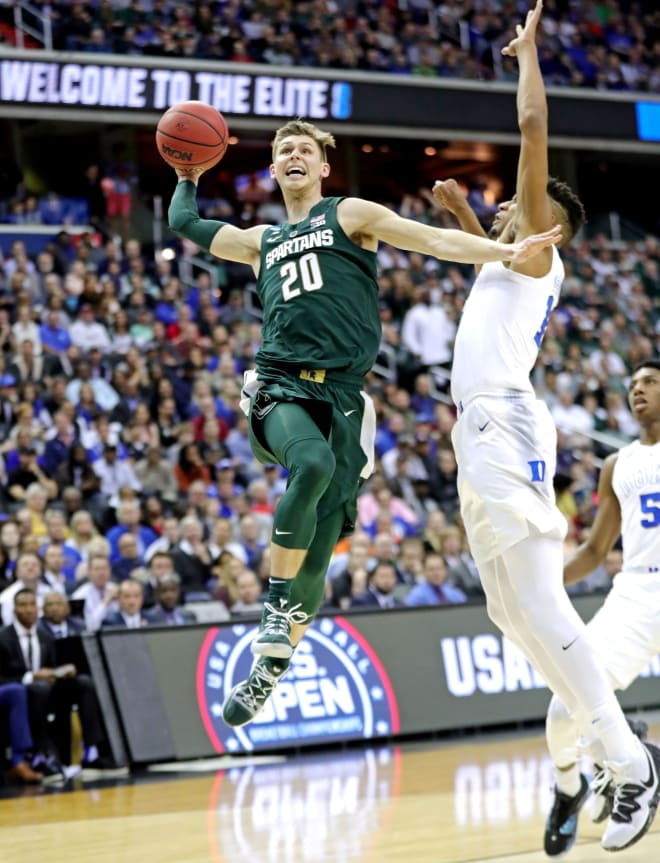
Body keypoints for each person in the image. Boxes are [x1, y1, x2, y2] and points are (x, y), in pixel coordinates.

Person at [168, 116, 560, 730]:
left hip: (346, 397)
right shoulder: (262, 240)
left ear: (324, 167)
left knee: (321, 550)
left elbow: (430, 239)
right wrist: (187, 176)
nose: (294, 156)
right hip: (279, 386)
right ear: (273, 170)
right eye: (283, 151)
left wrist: (502, 249)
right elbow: (184, 224)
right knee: (312, 464)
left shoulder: (349, 215)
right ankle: (274, 609)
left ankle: (269, 669)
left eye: (304, 149)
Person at [433, 2, 659, 853]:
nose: (498, 214)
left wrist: (529, 57)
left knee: (535, 599)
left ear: (537, 221)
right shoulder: (510, 263)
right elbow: (495, 272)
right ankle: (616, 754)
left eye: (506, 212)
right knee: (510, 612)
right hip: (480, 429)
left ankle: (629, 761)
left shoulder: (536, 241)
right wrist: (463, 222)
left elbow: (533, 127)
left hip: (508, 425)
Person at [543, 360, 660, 855]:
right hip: (637, 592)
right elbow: (593, 552)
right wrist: (538, 583)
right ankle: (574, 786)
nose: (638, 390)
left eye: (650, 382)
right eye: (632, 384)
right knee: (562, 708)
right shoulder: (618, 464)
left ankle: (630, 759)